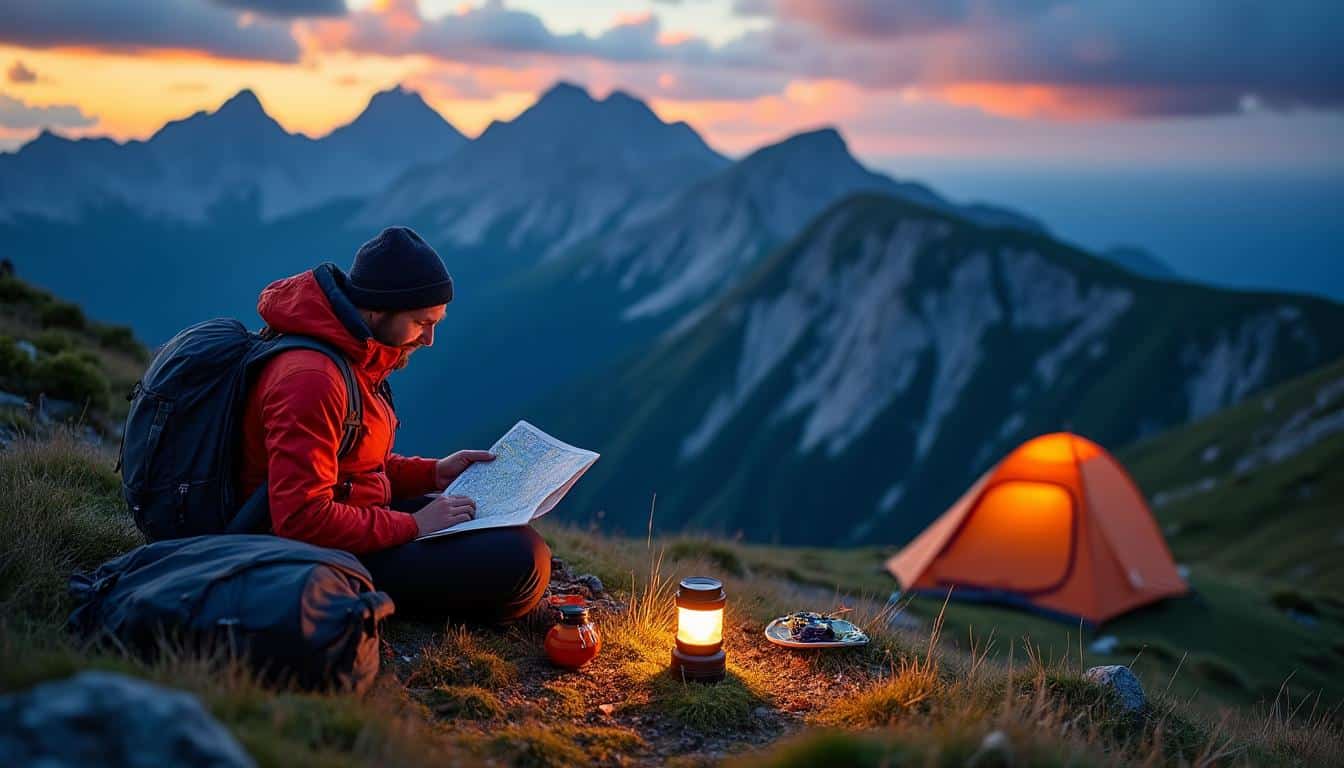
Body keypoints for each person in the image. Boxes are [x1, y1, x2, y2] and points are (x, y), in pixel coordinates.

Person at [236, 226, 550, 621]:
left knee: (497, 530)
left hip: (353, 520)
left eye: (437, 321)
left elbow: (352, 463)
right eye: (422, 322)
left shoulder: (354, 355)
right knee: (517, 562)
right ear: (376, 310)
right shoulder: (313, 379)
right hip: (302, 553)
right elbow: (300, 520)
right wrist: (414, 525)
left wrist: (433, 474)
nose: (430, 338)